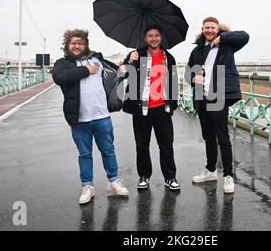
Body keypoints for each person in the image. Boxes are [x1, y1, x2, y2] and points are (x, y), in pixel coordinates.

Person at [52, 29, 129, 205]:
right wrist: (86, 70)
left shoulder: (97, 60)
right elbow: (59, 77)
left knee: (108, 150)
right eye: (73, 43)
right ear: (67, 45)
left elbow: (118, 74)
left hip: (102, 116)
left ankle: (114, 181)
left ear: (86, 44)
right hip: (79, 119)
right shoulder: (63, 63)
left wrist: (127, 64)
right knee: (85, 154)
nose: (77, 46)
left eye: (80, 42)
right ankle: (88, 186)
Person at [185, 17, 249, 194]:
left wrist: (223, 38)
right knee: (208, 137)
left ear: (217, 29)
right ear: (203, 29)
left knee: (222, 137)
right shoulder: (197, 50)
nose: (210, 30)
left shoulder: (227, 45)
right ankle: (211, 171)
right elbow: (188, 71)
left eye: (213, 28)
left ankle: (228, 176)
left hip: (218, 96)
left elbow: (245, 36)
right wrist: (192, 78)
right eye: (207, 28)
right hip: (202, 97)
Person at [122, 25, 180, 191]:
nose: (153, 38)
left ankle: (170, 177)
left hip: (162, 108)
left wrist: (173, 105)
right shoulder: (136, 54)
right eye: (150, 36)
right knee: (142, 145)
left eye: (156, 35)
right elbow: (123, 75)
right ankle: (144, 176)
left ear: (160, 37)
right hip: (141, 109)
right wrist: (129, 62)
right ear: (145, 38)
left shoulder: (169, 57)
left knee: (166, 145)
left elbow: (173, 83)